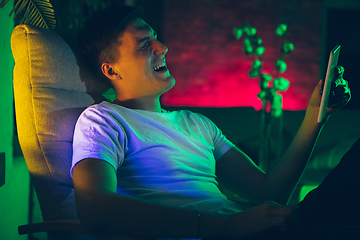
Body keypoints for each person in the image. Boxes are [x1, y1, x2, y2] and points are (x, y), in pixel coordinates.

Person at [71, 5, 354, 240]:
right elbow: (95, 208)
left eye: (156, 38)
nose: (163, 48)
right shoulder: (103, 121)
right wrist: (230, 226)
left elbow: (270, 192)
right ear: (111, 69)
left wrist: (316, 114)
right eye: (145, 44)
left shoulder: (197, 124)